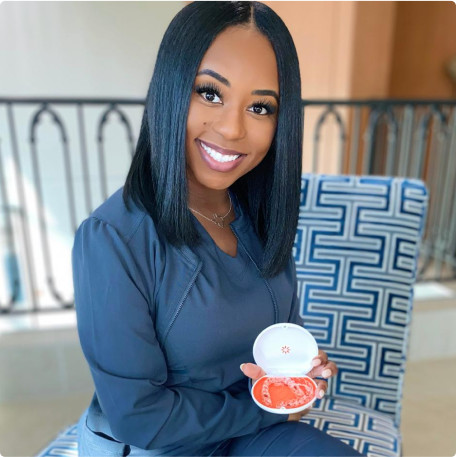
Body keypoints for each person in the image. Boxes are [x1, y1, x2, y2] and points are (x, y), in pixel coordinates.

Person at [73, 2, 364, 456]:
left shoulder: (259, 219)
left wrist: (298, 375)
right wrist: (269, 409)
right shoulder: (112, 239)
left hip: (252, 436)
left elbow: (278, 348)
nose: (232, 128)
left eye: (261, 107)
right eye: (210, 93)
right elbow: (140, 417)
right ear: (171, 89)